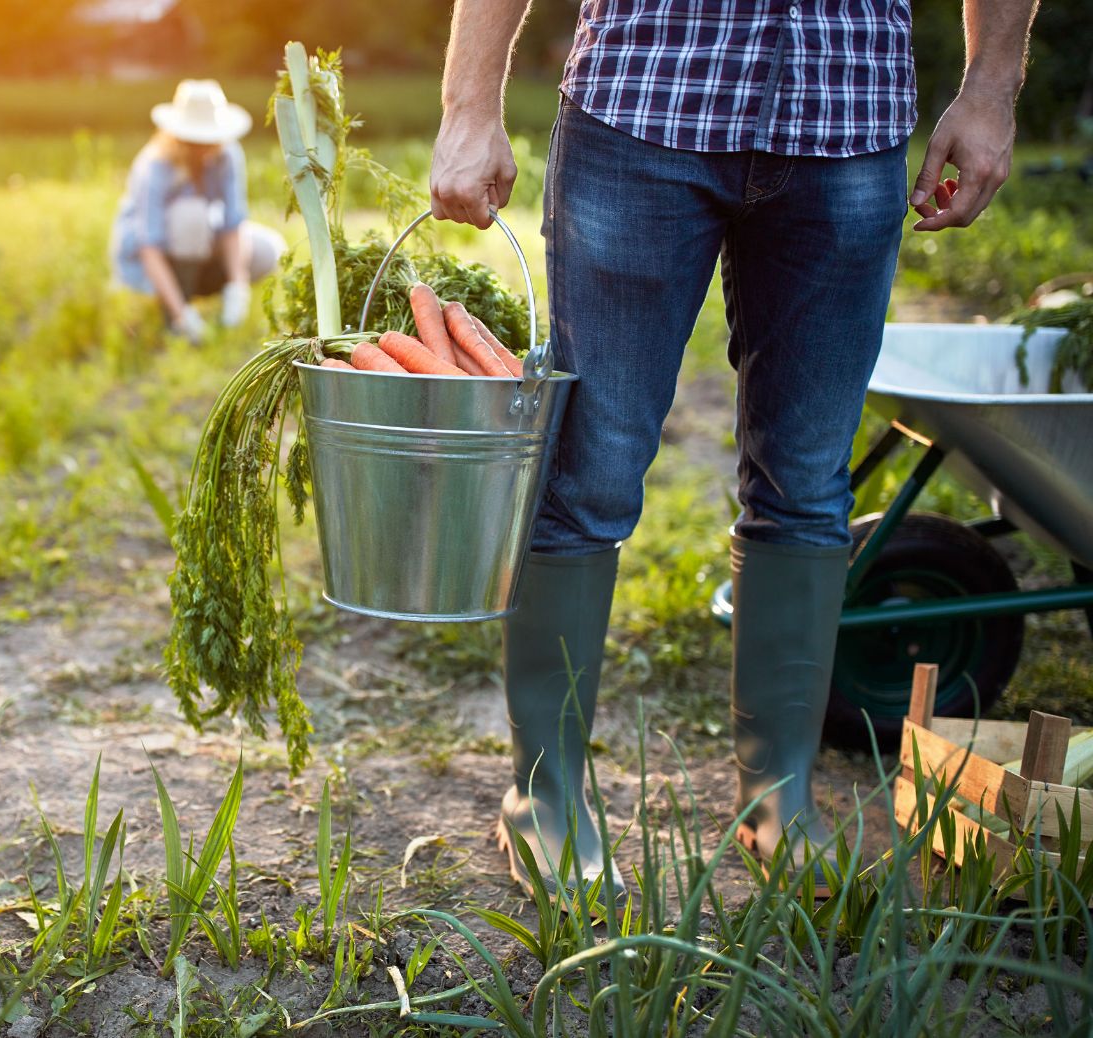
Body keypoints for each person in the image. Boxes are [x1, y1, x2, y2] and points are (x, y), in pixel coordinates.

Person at [431, 0, 1038, 896]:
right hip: (642, 105)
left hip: (849, 114)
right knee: (587, 475)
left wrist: (990, 88)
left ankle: (779, 799)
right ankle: (543, 799)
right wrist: (467, 104)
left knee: (807, 483)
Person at [111, 79, 287, 343]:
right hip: (150, 262)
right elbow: (150, 247)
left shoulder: (227, 155)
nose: (204, 147)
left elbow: (233, 223)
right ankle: (176, 312)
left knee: (269, 249)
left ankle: (215, 305)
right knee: (190, 216)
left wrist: (237, 286)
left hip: (199, 245)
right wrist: (181, 313)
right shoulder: (155, 166)